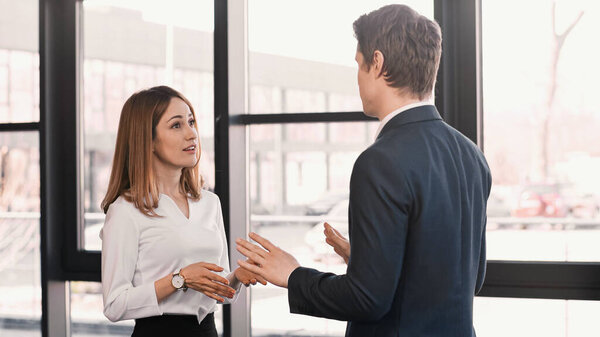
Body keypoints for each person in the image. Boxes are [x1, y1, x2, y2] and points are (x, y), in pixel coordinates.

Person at [236, 4, 491, 337]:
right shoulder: (471, 155)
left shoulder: (380, 161)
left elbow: (368, 300)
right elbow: (472, 278)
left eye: (358, 64)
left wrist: (292, 275)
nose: (356, 77)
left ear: (378, 63)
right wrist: (368, 262)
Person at [100, 86, 265, 337]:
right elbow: (114, 305)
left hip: (207, 331)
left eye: (191, 122)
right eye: (176, 125)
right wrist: (179, 280)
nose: (192, 134)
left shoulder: (210, 203)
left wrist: (238, 277)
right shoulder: (126, 211)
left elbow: (216, 293)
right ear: (149, 140)